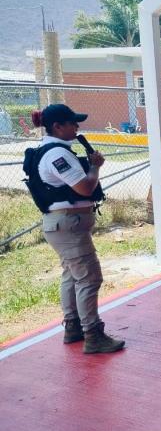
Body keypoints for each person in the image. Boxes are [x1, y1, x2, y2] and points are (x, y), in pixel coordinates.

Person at [26, 104, 124, 354]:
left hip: (64, 224)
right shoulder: (56, 154)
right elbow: (84, 188)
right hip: (68, 223)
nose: (77, 127)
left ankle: (74, 327)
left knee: (72, 276)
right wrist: (95, 167)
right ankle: (93, 335)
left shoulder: (53, 150)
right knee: (89, 278)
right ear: (57, 126)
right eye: (72, 123)